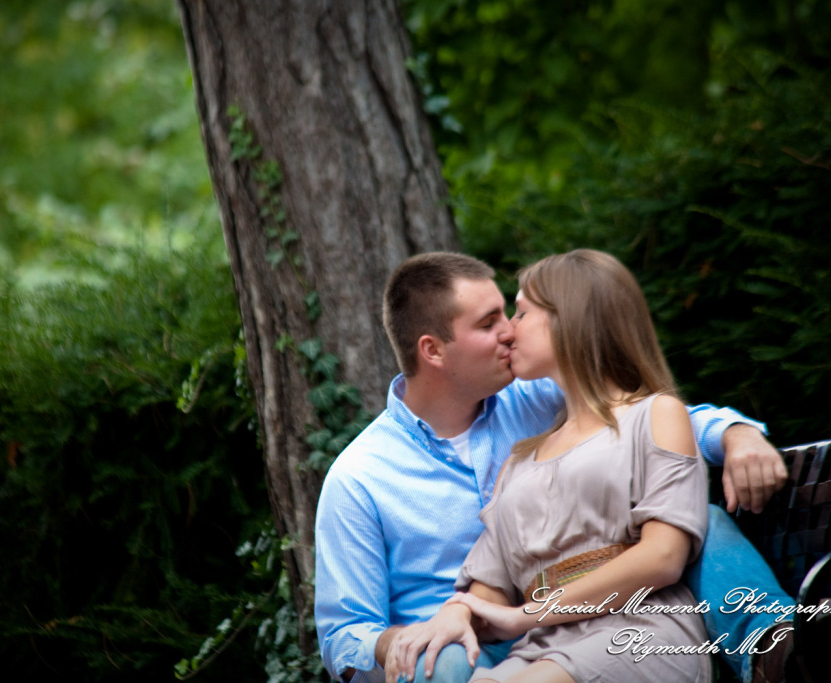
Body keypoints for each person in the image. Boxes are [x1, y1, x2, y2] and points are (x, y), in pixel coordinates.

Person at [314, 252, 795, 683]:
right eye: (489, 323)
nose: (509, 330)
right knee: (443, 661)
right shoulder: (360, 477)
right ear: (433, 350)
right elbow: (344, 634)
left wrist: (737, 434)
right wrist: (413, 634)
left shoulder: (536, 394)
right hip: (464, 645)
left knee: (699, 521)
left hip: (583, 619)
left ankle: (782, 650)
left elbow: (649, 421)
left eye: (514, 313)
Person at [445, 248, 711, 682]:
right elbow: (490, 582)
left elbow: (663, 557)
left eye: (521, 313)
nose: (508, 333)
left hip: (637, 633)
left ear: (567, 318)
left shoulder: (654, 415)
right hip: (543, 648)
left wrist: (528, 614)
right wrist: (457, 613)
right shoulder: (520, 459)